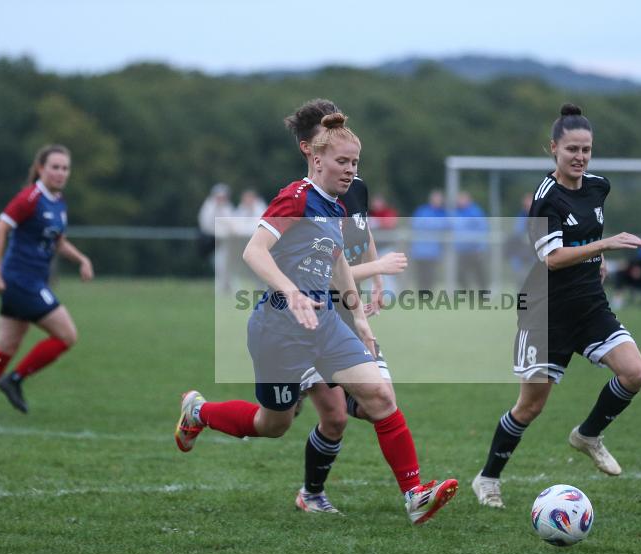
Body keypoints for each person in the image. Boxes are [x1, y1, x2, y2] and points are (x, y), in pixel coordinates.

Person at [173, 112, 458, 525]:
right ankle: (199, 412)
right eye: (342, 161)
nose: (350, 170)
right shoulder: (296, 197)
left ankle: (415, 495)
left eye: (355, 163)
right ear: (317, 159)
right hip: (278, 330)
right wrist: (290, 292)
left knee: (379, 396)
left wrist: (359, 319)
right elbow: (253, 251)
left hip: (324, 324)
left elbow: (338, 260)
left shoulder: (336, 206)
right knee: (271, 424)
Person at [473, 104, 641, 509]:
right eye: (572, 149)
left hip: (588, 304)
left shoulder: (598, 186)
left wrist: (597, 258)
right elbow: (550, 257)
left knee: (635, 372)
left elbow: (587, 229)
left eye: (586, 149)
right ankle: (487, 479)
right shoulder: (544, 200)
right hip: (544, 313)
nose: (580, 157)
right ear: (553, 148)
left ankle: (587, 435)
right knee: (530, 406)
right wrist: (603, 246)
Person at [280, 99, 410, 514]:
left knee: (371, 405)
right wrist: (379, 267)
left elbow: (359, 235)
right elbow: (322, 262)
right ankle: (312, 493)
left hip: (349, 310)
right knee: (307, 419)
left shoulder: (353, 186)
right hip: (314, 314)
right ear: (309, 149)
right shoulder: (300, 201)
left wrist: (375, 278)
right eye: (326, 133)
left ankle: (317, 491)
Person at [0, 144, 94, 417]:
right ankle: (14, 380)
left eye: (65, 168)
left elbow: (58, 241)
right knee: (66, 336)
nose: (60, 173)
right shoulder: (29, 198)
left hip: (28, 282)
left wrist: (82, 259)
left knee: (5, 348)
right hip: (21, 281)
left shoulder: (58, 202)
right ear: (41, 168)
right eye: (55, 167)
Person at [198, 183, 236, 293]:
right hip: (212, 240)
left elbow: (231, 223)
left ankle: (227, 285)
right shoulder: (209, 206)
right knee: (218, 264)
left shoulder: (228, 207)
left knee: (226, 263)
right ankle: (222, 285)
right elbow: (205, 224)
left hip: (226, 241)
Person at [410, 190, 449, 292]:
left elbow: (446, 227)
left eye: (439, 199)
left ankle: (428, 296)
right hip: (420, 251)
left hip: (434, 252)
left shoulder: (443, 213)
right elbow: (416, 224)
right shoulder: (422, 210)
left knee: (431, 275)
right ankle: (421, 296)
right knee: (420, 275)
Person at [452, 191, 489, 291]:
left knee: (479, 274)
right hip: (462, 251)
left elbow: (483, 229)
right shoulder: (456, 212)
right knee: (460, 275)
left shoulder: (475, 212)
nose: (460, 202)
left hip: (474, 250)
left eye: (462, 199)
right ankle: (467, 292)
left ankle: (483, 295)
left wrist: (481, 247)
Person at [230, 188, 268, 286]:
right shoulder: (240, 209)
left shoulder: (261, 208)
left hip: (257, 242)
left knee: (259, 264)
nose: (248, 200)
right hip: (241, 242)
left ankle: (261, 284)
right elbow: (235, 226)